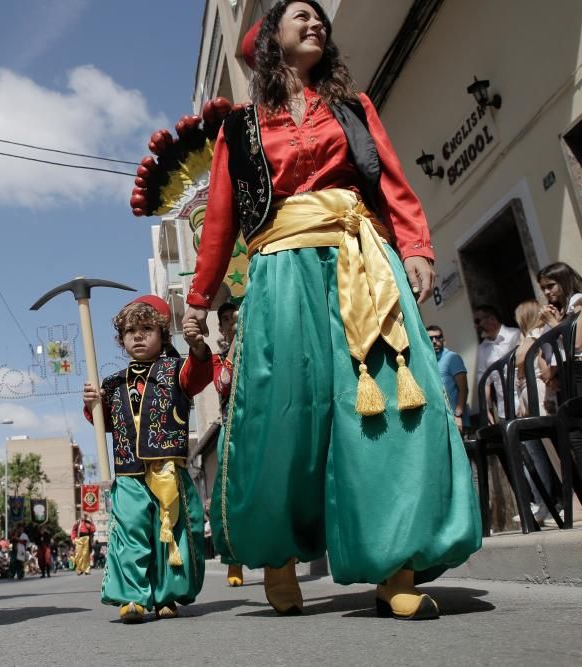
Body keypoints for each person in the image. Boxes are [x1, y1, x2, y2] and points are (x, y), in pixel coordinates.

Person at [183, 1, 481, 621]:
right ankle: (279, 559)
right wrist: (197, 299)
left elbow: (393, 184)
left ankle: (394, 567)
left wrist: (417, 247)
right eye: (300, 15)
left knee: (385, 406)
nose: (316, 22)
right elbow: (218, 223)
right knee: (281, 412)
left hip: (362, 260)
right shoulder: (237, 128)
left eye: (321, 16)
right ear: (270, 39)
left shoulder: (355, 109)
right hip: (280, 274)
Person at [83, 295, 212, 623]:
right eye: (130, 331)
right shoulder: (112, 384)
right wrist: (92, 404)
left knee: (172, 530)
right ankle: (132, 597)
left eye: (146, 329)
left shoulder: (177, 369)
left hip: (168, 468)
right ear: (121, 339)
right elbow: (105, 425)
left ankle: (169, 595)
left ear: (162, 335)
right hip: (128, 473)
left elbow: (199, 375)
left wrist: (197, 348)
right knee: (131, 532)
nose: (137, 336)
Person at [511, 300, 562, 525]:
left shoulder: (535, 334)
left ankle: (569, 500)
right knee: (536, 455)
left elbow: (520, 359)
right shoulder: (527, 337)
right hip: (527, 396)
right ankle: (544, 505)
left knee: (553, 450)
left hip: (539, 393)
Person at [210, 301, 244, 587]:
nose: (232, 322)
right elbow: (223, 383)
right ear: (220, 326)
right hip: (231, 430)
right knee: (229, 497)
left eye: (236, 317)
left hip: (260, 428)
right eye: (226, 319)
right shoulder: (218, 357)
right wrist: (235, 345)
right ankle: (234, 560)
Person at [474, 305, 521, 422]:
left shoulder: (515, 335)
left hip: (525, 399)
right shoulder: (482, 349)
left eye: (478, 321)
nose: (476, 326)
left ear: (491, 319)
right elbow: (484, 381)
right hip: (505, 410)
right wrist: (486, 409)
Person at [427, 326, 469, 433]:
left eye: (438, 337)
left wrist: (458, 415)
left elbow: (463, 389)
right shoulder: (429, 363)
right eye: (430, 338)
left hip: (457, 421)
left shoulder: (452, 358)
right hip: (441, 423)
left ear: (444, 341)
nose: (434, 341)